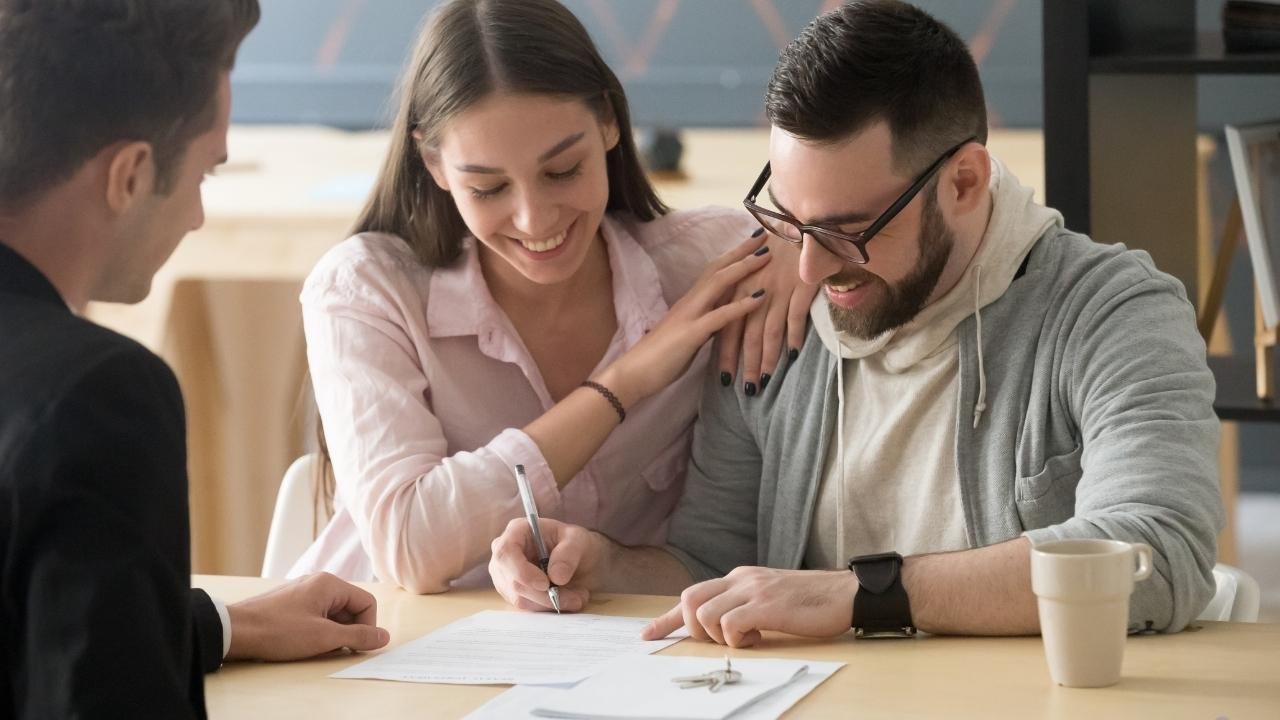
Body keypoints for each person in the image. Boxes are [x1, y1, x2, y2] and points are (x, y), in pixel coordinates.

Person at [489, 0, 1224, 645]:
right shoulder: (775, 322)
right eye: (789, 220)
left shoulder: (1112, 311)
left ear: (964, 182)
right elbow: (716, 561)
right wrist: (605, 564)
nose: (807, 270)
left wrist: (861, 596)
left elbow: (1158, 553)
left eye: (846, 229)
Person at [290, 0, 813, 592]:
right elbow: (410, 548)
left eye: (563, 170)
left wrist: (799, 244)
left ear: (611, 125)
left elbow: (832, 233)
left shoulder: (709, 265)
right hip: (381, 650)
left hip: (624, 658)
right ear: (434, 164)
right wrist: (624, 383)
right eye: (487, 187)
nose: (534, 219)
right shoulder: (366, 289)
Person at [0, 2, 387, 717]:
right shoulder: (97, 394)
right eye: (206, 173)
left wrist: (227, 624)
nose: (199, 216)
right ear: (130, 175)